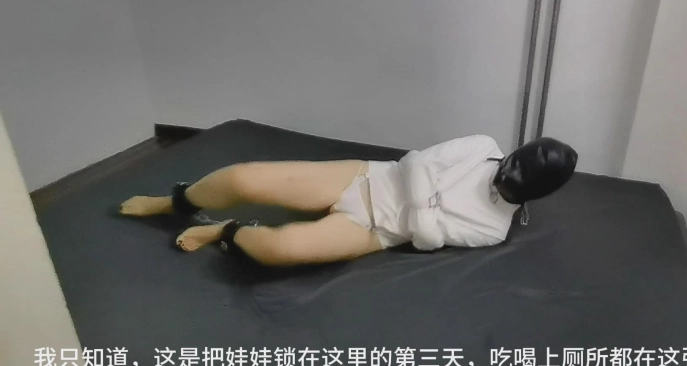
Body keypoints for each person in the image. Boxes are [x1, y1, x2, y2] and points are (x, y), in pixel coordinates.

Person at [119, 135, 578, 266]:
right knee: (244, 178)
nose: (507, 168)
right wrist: (428, 206)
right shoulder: (481, 146)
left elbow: (424, 240)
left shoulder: (493, 229)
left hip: (376, 230)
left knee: (281, 250)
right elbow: (413, 163)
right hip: (365, 176)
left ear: (535, 191)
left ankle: (225, 230)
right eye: (515, 158)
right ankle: (174, 202)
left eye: (521, 174)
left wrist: (422, 200)